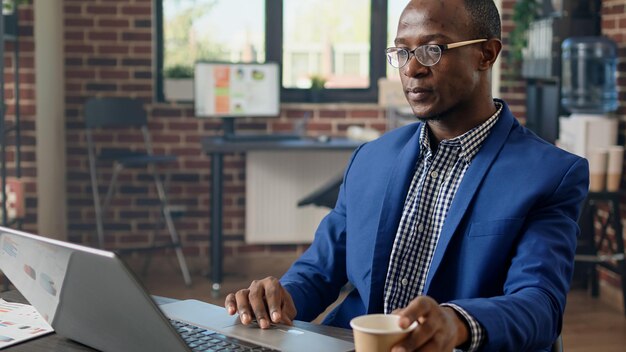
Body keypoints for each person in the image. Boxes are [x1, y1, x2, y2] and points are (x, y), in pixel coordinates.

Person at [225, 0, 589, 350]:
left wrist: (455, 323)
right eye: (402, 52)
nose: (412, 69)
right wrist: (278, 299)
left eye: (432, 50)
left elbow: (540, 305)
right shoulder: (370, 159)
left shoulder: (550, 175)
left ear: (486, 54)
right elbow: (318, 272)